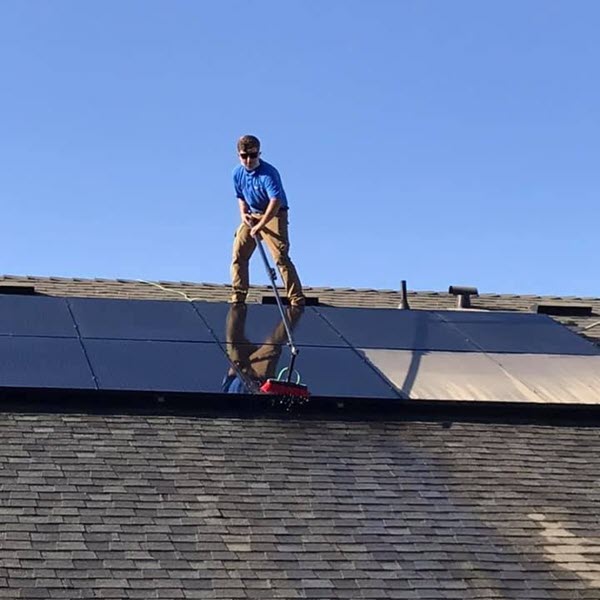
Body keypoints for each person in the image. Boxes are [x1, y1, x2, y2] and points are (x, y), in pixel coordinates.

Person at [231, 135, 305, 306]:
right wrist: (244, 213)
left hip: (274, 214)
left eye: (253, 155)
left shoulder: (268, 173)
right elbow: (240, 196)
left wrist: (261, 225)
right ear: (238, 156)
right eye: (244, 156)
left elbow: (275, 201)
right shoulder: (237, 173)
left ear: (259, 154)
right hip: (253, 214)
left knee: (280, 256)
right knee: (239, 253)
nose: (248, 160)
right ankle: (239, 295)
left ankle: (296, 299)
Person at [221, 303, 304, 394]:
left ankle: (238, 297)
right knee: (273, 344)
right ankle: (296, 307)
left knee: (232, 339)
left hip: (240, 367)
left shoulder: (226, 402)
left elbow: (227, 382)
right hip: (259, 376)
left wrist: (233, 370)